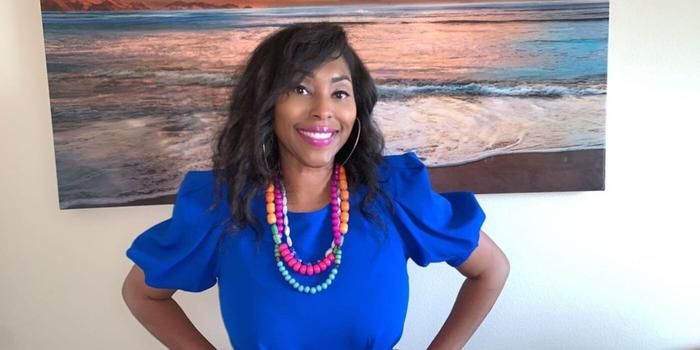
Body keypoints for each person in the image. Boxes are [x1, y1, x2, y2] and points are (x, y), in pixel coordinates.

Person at [121, 22, 509, 350]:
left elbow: (491, 270)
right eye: (301, 89)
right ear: (266, 103)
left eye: (340, 92)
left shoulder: (393, 194)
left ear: (356, 109)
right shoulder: (223, 205)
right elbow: (141, 294)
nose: (323, 109)